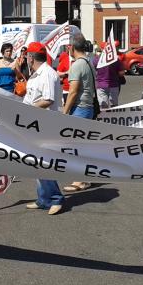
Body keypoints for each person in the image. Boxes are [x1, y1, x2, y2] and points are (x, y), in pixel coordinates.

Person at [22, 42, 63, 215]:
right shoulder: (37, 74)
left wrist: (26, 110)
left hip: (45, 126)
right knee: (37, 164)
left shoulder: (46, 73)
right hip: (35, 125)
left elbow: (48, 99)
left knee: (43, 163)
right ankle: (43, 199)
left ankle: (55, 199)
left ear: (31, 57)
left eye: (27, 56)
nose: (25, 59)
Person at [62, 36, 97, 193]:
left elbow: (73, 91)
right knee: (83, 145)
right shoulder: (88, 62)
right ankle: (85, 177)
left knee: (77, 146)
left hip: (80, 108)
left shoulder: (77, 65)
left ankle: (81, 180)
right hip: (88, 106)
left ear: (72, 48)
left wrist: (64, 111)